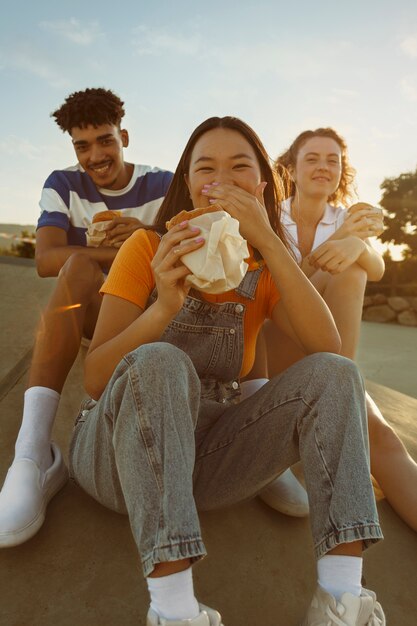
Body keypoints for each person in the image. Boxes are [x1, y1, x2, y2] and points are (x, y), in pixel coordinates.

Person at [69, 116, 385, 625]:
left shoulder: (260, 270)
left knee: (335, 372)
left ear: (262, 183)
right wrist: (162, 307)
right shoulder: (148, 248)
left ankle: (342, 599)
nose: (222, 179)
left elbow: (326, 348)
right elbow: (95, 378)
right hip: (115, 458)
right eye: (206, 168)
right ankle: (173, 610)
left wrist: (268, 239)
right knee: (160, 358)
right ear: (190, 184)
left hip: (205, 462)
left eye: (240, 167)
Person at [0, 88, 173, 548]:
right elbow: (46, 259)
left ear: (125, 137)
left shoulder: (164, 184)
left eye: (106, 140)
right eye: (82, 145)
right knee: (77, 268)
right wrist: (120, 251)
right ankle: (33, 454)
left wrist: (147, 235)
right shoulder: (63, 183)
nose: (95, 155)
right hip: (98, 315)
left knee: (84, 263)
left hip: (159, 318)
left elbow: (193, 249)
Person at [252, 127, 417, 533]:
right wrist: (347, 242)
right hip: (270, 345)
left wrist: (357, 246)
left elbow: (375, 267)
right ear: (290, 168)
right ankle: (338, 394)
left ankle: (338, 396)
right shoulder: (270, 215)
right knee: (346, 268)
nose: (324, 166)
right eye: (312, 158)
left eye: (333, 160)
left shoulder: (344, 217)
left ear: (342, 170)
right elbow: (281, 289)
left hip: (326, 355)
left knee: (384, 440)